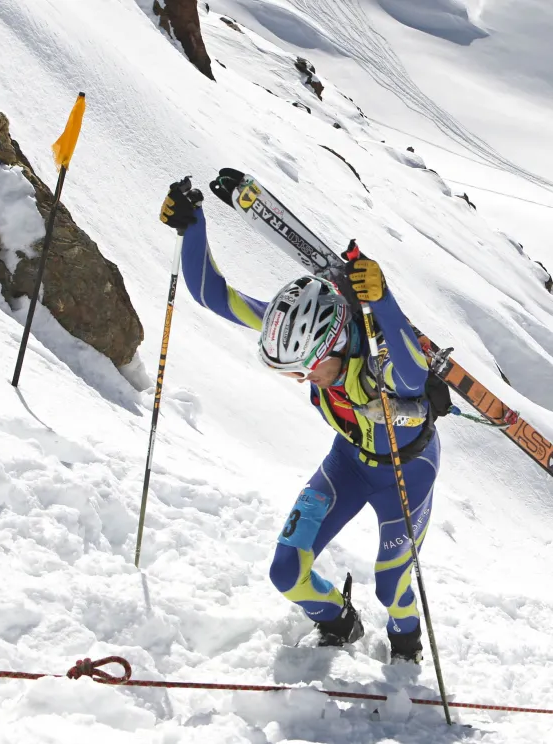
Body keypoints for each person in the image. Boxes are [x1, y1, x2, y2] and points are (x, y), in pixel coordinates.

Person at [158, 175, 439, 663]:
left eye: (307, 369)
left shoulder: (382, 363)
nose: (301, 378)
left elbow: (415, 374)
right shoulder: (296, 330)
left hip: (406, 476)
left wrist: (383, 300)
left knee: (393, 586)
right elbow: (212, 295)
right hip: (349, 463)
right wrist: (192, 225)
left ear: (333, 344)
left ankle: (406, 641)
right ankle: (338, 620)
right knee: (286, 572)